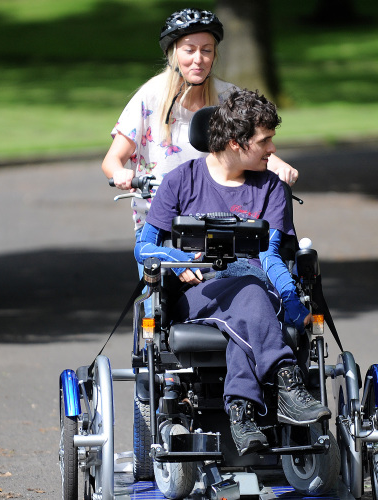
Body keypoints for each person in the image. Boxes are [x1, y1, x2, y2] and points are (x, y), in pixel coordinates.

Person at [134, 89, 329, 455]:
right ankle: (287, 380)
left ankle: (240, 413)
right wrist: (177, 260)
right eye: (265, 140)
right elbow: (143, 248)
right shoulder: (181, 182)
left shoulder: (270, 188)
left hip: (252, 293)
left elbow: (270, 256)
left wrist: (291, 301)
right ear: (237, 143)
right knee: (251, 297)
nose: (273, 149)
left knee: (250, 300)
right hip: (197, 294)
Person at [101, 7, 298, 234]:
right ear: (173, 53)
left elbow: (251, 143)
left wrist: (279, 165)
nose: (199, 59)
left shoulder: (227, 98)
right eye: (189, 50)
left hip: (216, 218)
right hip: (159, 220)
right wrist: (120, 173)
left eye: (207, 50)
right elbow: (113, 159)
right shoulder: (150, 98)